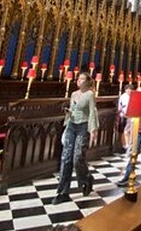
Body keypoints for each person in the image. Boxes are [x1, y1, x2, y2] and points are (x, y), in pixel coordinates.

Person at [52, 71, 98, 205]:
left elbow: (92, 112)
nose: (79, 81)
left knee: (78, 157)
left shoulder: (90, 95)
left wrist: (93, 129)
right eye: (78, 79)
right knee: (66, 157)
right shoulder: (73, 94)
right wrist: (68, 113)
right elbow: (73, 109)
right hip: (71, 125)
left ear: (88, 81)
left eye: (82, 79)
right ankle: (63, 191)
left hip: (83, 126)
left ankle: (86, 178)